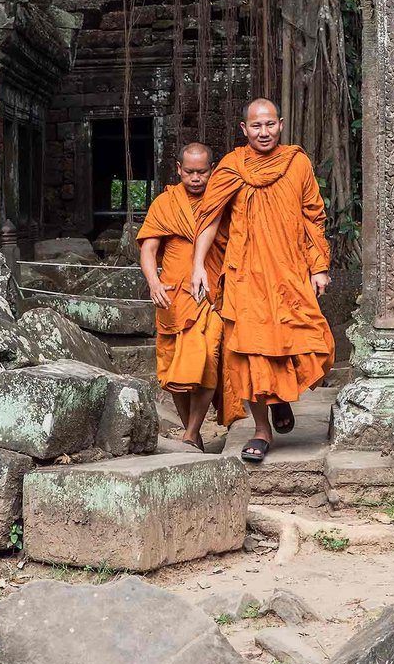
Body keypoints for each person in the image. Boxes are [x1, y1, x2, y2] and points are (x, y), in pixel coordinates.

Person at [190, 99, 334, 463]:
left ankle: (281, 397)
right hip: (245, 276)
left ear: (281, 125)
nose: (264, 132)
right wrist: (197, 267)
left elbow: (312, 216)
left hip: (288, 271)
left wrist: (318, 267)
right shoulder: (232, 168)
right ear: (244, 130)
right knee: (249, 349)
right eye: (256, 126)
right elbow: (208, 219)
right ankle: (261, 429)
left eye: (270, 124)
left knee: (301, 339)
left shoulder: (296, 163)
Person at [137, 142, 239, 449]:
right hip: (172, 295)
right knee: (174, 370)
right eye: (190, 172)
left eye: (202, 172)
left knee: (208, 356)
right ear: (179, 169)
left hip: (211, 294)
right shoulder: (165, 204)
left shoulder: (222, 199)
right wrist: (153, 282)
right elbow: (149, 248)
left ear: (212, 169)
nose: (196, 178)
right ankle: (190, 432)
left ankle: (192, 432)